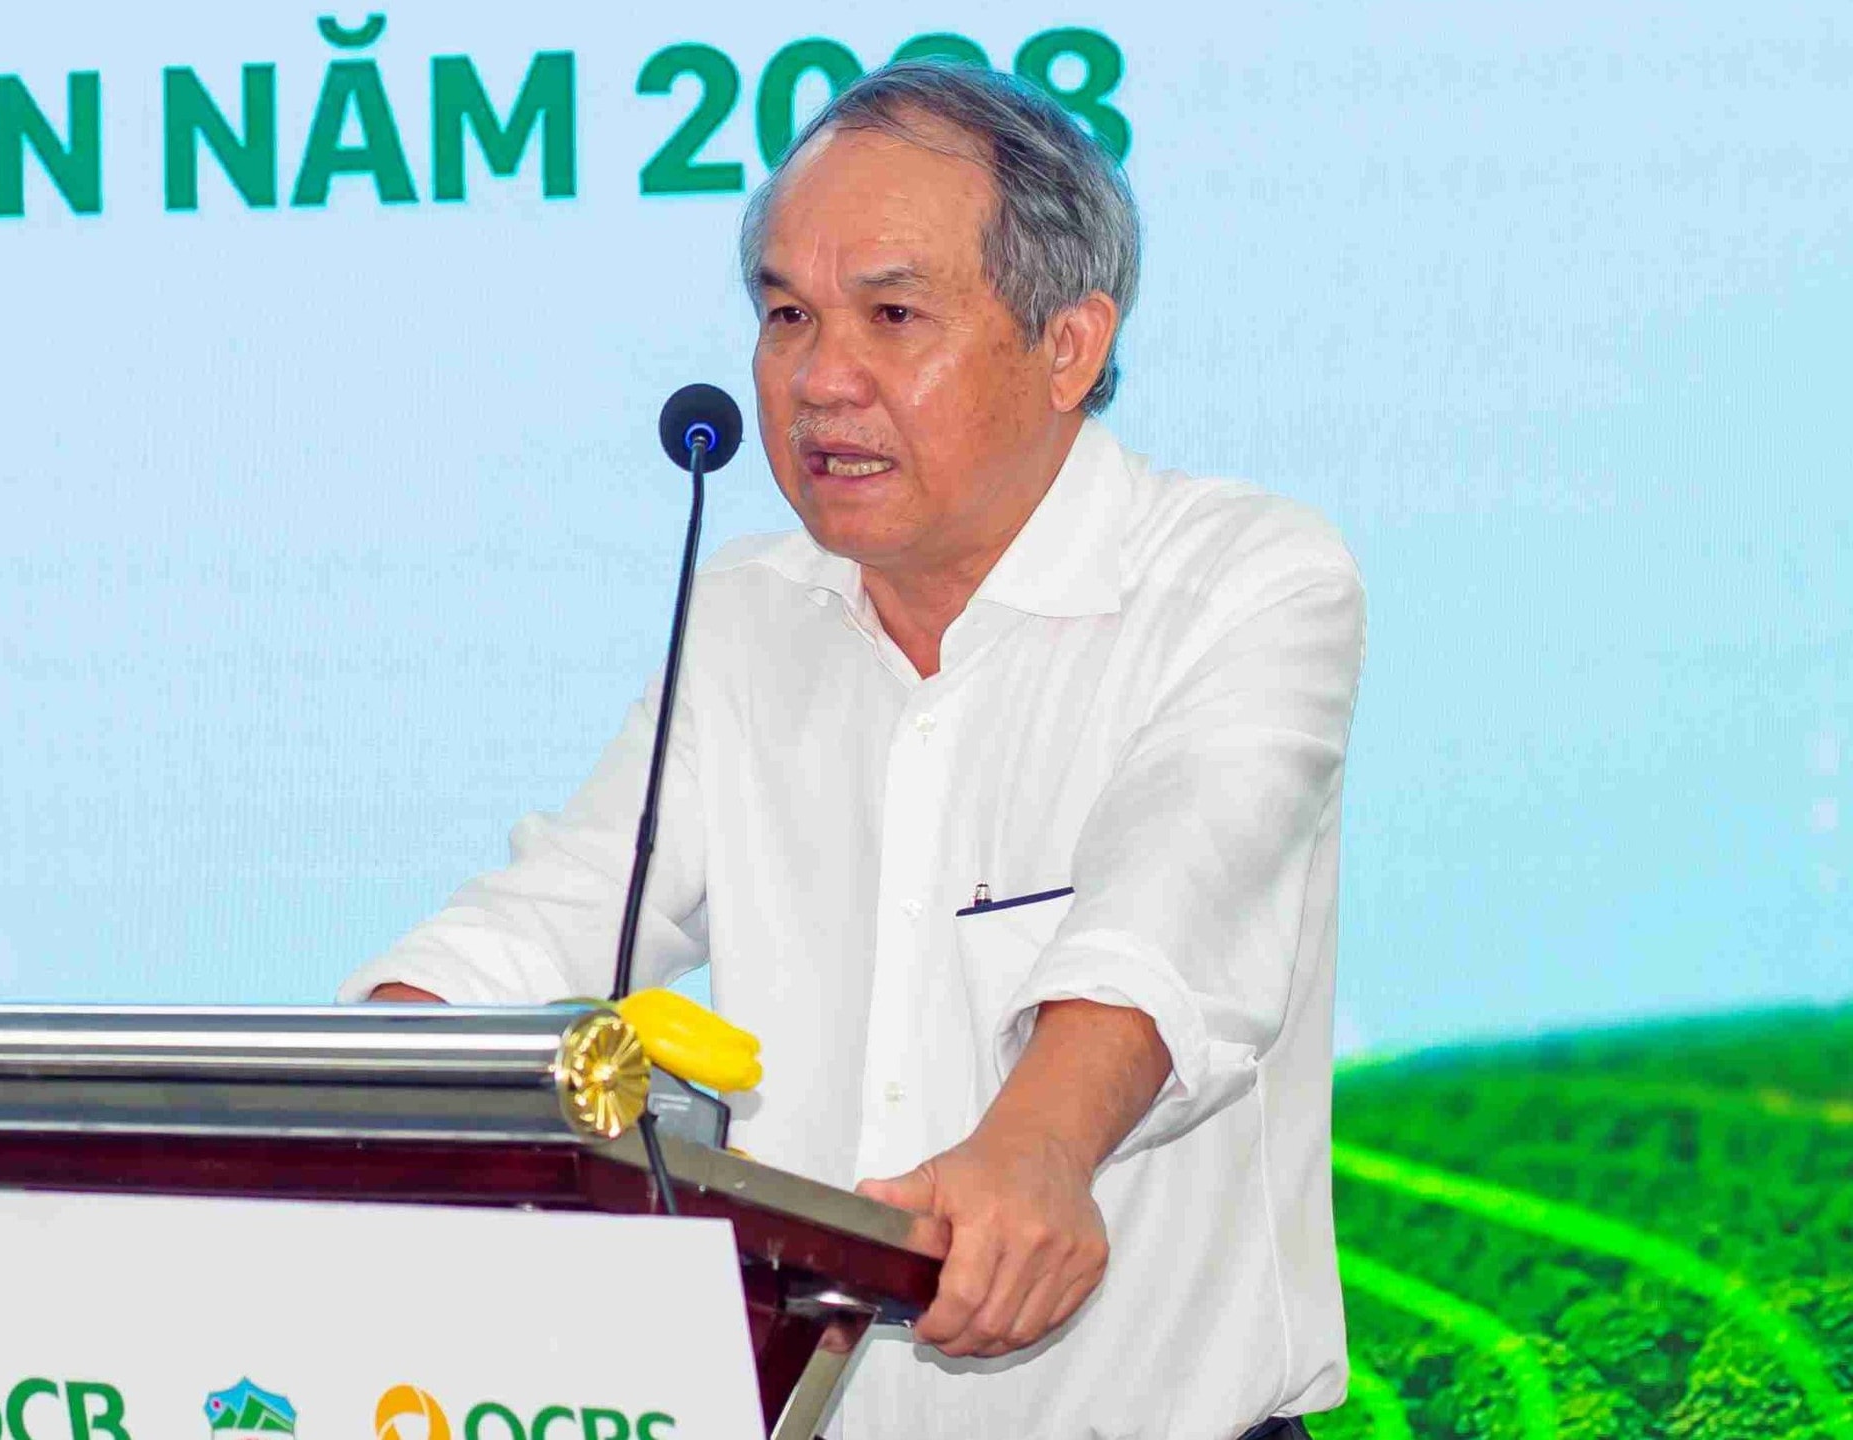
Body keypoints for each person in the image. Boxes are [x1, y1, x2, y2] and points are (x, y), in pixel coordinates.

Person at [340, 60, 1365, 1440]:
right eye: (786, 317)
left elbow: (1175, 909)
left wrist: (1037, 1147)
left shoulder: (1243, 582)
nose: (821, 381)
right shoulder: (748, 615)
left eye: (893, 316)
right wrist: (356, 1082)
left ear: (1068, 345)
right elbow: (566, 912)